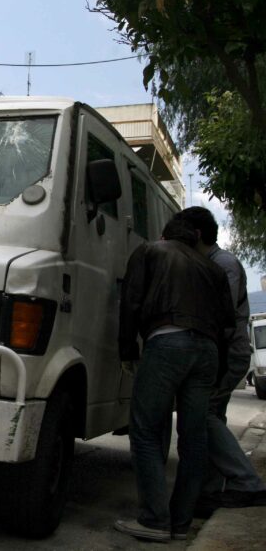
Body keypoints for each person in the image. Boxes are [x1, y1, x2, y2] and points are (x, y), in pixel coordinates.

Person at [115, 218, 235, 542]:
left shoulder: (151, 251)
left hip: (167, 341)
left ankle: (154, 519)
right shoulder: (213, 271)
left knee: (146, 431)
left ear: (165, 234)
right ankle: (181, 523)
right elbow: (228, 324)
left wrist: (127, 350)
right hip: (207, 351)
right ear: (196, 239)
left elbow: (131, 302)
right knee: (194, 439)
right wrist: (219, 369)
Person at [175, 207, 266, 510]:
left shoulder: (223, 264)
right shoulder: (212, 262)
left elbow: (219, 315)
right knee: (212, 418)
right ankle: (211, 491)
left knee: (205, 416)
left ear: (196, 234)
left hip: (226, 353)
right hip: (221, 352)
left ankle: (246, 482)